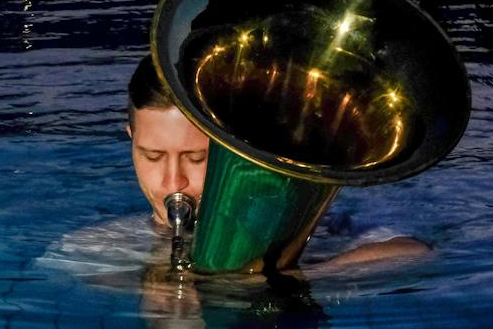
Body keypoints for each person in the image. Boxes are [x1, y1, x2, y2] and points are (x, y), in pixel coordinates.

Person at [125, 56, 428, 269]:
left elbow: (415, 252)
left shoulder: (315, 233)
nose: (172, 183)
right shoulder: (109, 248)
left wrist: (284, 276)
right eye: (153, 156)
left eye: (197, 158)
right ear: (131, 139)